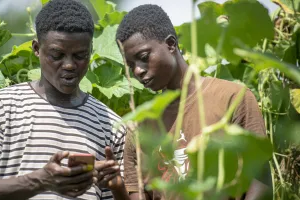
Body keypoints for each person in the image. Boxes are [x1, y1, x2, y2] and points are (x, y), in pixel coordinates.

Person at [0, 0, 129, 199]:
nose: (70, 65)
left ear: (90, 51)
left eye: (80, 55)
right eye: (57, 55)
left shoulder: (111, 124)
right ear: (37, 48)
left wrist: (116, 186)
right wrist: (40, 181)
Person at [116, 4, 272, 200]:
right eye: (130, 65)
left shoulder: (233, 98)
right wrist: (115, 186)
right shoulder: (140, 126)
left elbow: (260, 182)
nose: (138, 71)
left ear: (171, 45)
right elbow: (138, 194)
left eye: (143, 57)